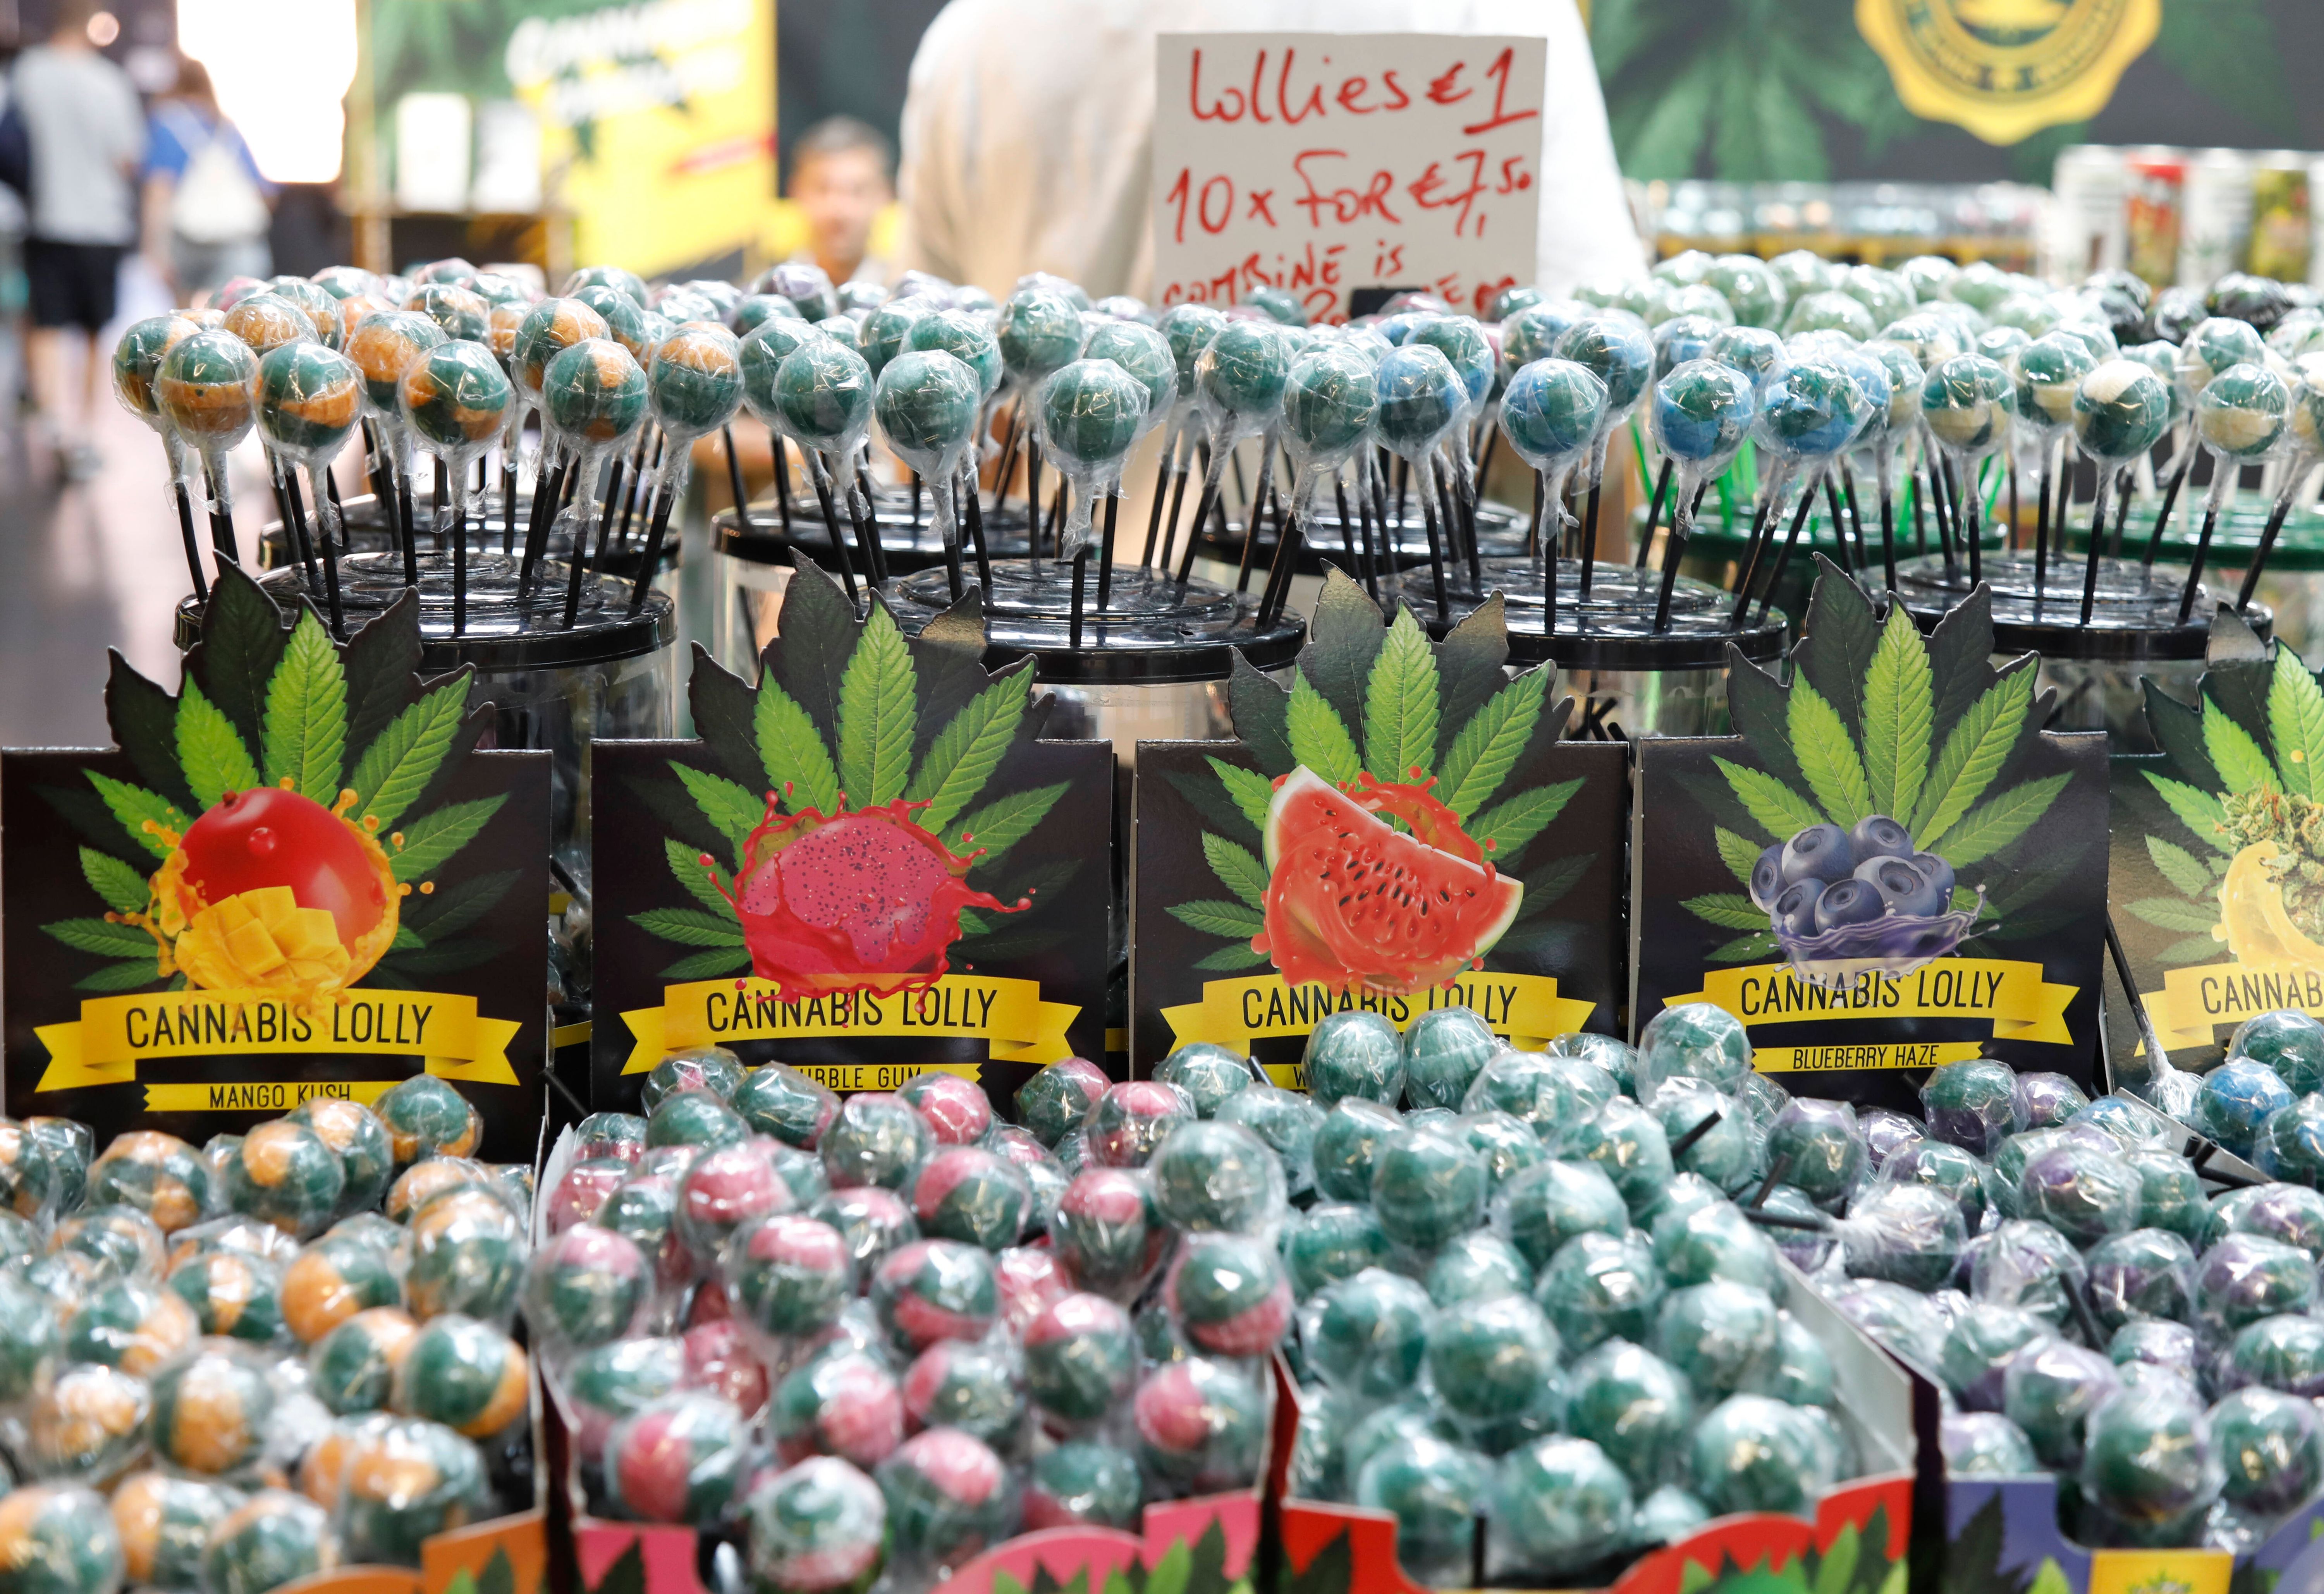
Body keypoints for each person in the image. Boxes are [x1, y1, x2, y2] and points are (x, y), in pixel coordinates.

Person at [896, 0, 1642, 304]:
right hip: (1373, 602)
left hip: (1042, 595)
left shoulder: (974, 37)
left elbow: (921, 399)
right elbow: (1596, 398)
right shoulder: (1481, 13)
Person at [11, 0, 146, 478]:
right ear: (91, 24)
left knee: (46, 326)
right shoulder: (110, 82)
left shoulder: (28, 72)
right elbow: (128, 158)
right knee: (94, 331)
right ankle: (85, 434)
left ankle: (52, 428)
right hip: (101, 224)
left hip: (45, 218)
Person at [142, 56, 273, 306]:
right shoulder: (226, 127)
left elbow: (159, 190)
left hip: (186, 239)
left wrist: (155, 251)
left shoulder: (167, 123)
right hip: (235, 241)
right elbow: (263, 191)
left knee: (181, 318)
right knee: (235, 314)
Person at [786, 115, 896, 290]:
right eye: (823, 189)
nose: (839, 209)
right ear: (795, 191)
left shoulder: (903, 295)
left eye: (856, 191)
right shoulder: (767, 291)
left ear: (885, 195)